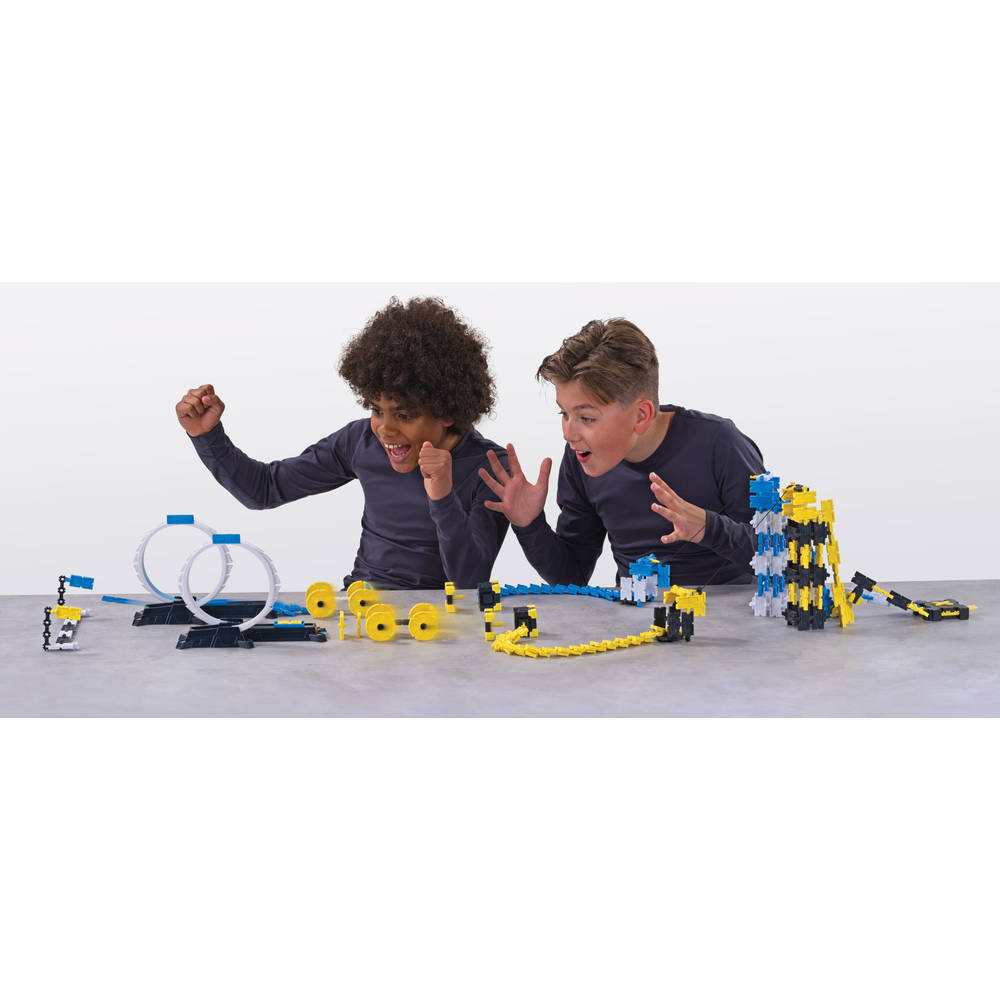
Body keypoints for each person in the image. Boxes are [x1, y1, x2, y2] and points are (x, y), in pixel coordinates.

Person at [175, 297, 510, 589]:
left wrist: (442, 497)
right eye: (376, 410)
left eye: (404, 415)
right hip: (362, 611)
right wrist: (207, 436)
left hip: (443, 621)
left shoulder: (492, 468)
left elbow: (470, 582)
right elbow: (263, 489)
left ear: (447, 411)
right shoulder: (360, 442)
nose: (385, 430)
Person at [478, 318, 764, 587]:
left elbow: (778, 557)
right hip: (637, 617)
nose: (568, 433)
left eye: (586, 418)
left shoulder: (719, 443)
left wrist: (708, 529)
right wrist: (530, 525)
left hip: (730, 617)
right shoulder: (581, 458)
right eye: (564, 413)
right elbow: (572, 574)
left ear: (640, 416)